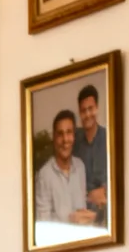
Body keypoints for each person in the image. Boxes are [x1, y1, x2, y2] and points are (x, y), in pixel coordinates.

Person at [35, 110, 98, 227]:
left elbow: (83, 208)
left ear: (74, 136)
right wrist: (70, 222)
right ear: (54, 138)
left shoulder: (80, 167)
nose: (65, 140)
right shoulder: (44, 175)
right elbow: (42, 226)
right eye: (60, 134)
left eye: (69, 132)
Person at [73, 84, 110, 226]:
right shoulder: (74, 143)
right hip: (81, 211)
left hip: (105, 210)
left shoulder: (108, 139)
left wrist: (105, 192)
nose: (87, 114)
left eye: (91, 109)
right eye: (83, 110)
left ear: (97, 108)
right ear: (79, 112)